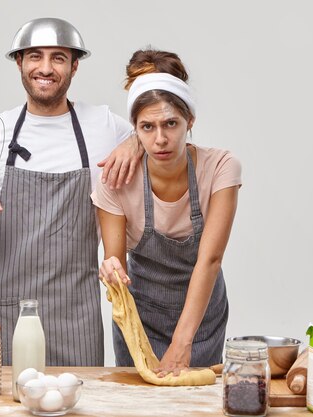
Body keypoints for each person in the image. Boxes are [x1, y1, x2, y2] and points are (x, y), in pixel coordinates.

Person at [0, 18, 142, 367]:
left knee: (81, 402)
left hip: (75, 312)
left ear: (74, 66)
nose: (45, 68)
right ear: (19, 63)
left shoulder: (102, 125)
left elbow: (160, 131)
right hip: (5, 308)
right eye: (35, 57)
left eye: (58, 58)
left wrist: (135, 142)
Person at [93, 49, 241, 376]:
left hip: (201, 320)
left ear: (190, 121)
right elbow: (113, 259)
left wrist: (183, 341)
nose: (161, 139)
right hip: (140, 321)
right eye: (147, 128)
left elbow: (210, 260)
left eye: (171, 124)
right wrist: (111, 269)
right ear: (133, 129)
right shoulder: (116, 182)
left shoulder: (221, 168)